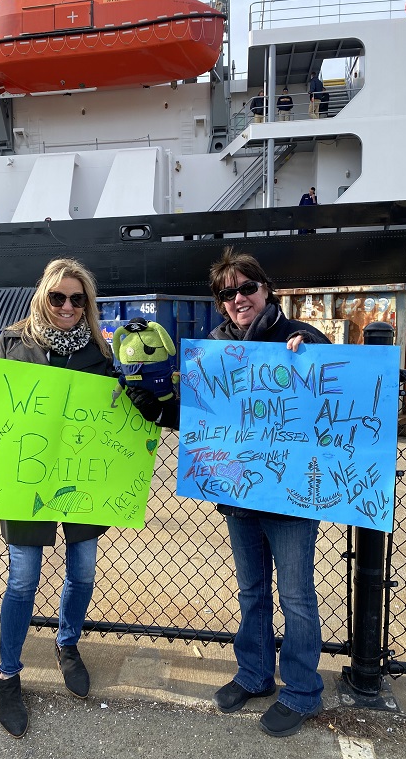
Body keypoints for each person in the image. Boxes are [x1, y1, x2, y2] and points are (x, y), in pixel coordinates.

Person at [127, 248, 330, 738]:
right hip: (239, 495)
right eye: (228, 292)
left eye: (247, 288)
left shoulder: (300, 338)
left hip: (289, 498)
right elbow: (201, 419)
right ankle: (255, 674)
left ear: (266, 289)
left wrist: (315, 360)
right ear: (220, 302)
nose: (239, 298)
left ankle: (302, 690)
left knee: (297, 596)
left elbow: (337, 401)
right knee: (252, 591)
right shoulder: (215, 347)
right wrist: (156, 409)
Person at [0, 257, 117, 738]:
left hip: (81, 479)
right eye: (58, 296)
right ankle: (8, 673)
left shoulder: (100, 351)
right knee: (22, 580)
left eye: (77, 299)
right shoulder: (14, 344)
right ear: (43, 296)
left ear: (88, 304)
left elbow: (115, 412)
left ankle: (67, 643)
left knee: (82, 571)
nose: (67, 306)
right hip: (26, 478)